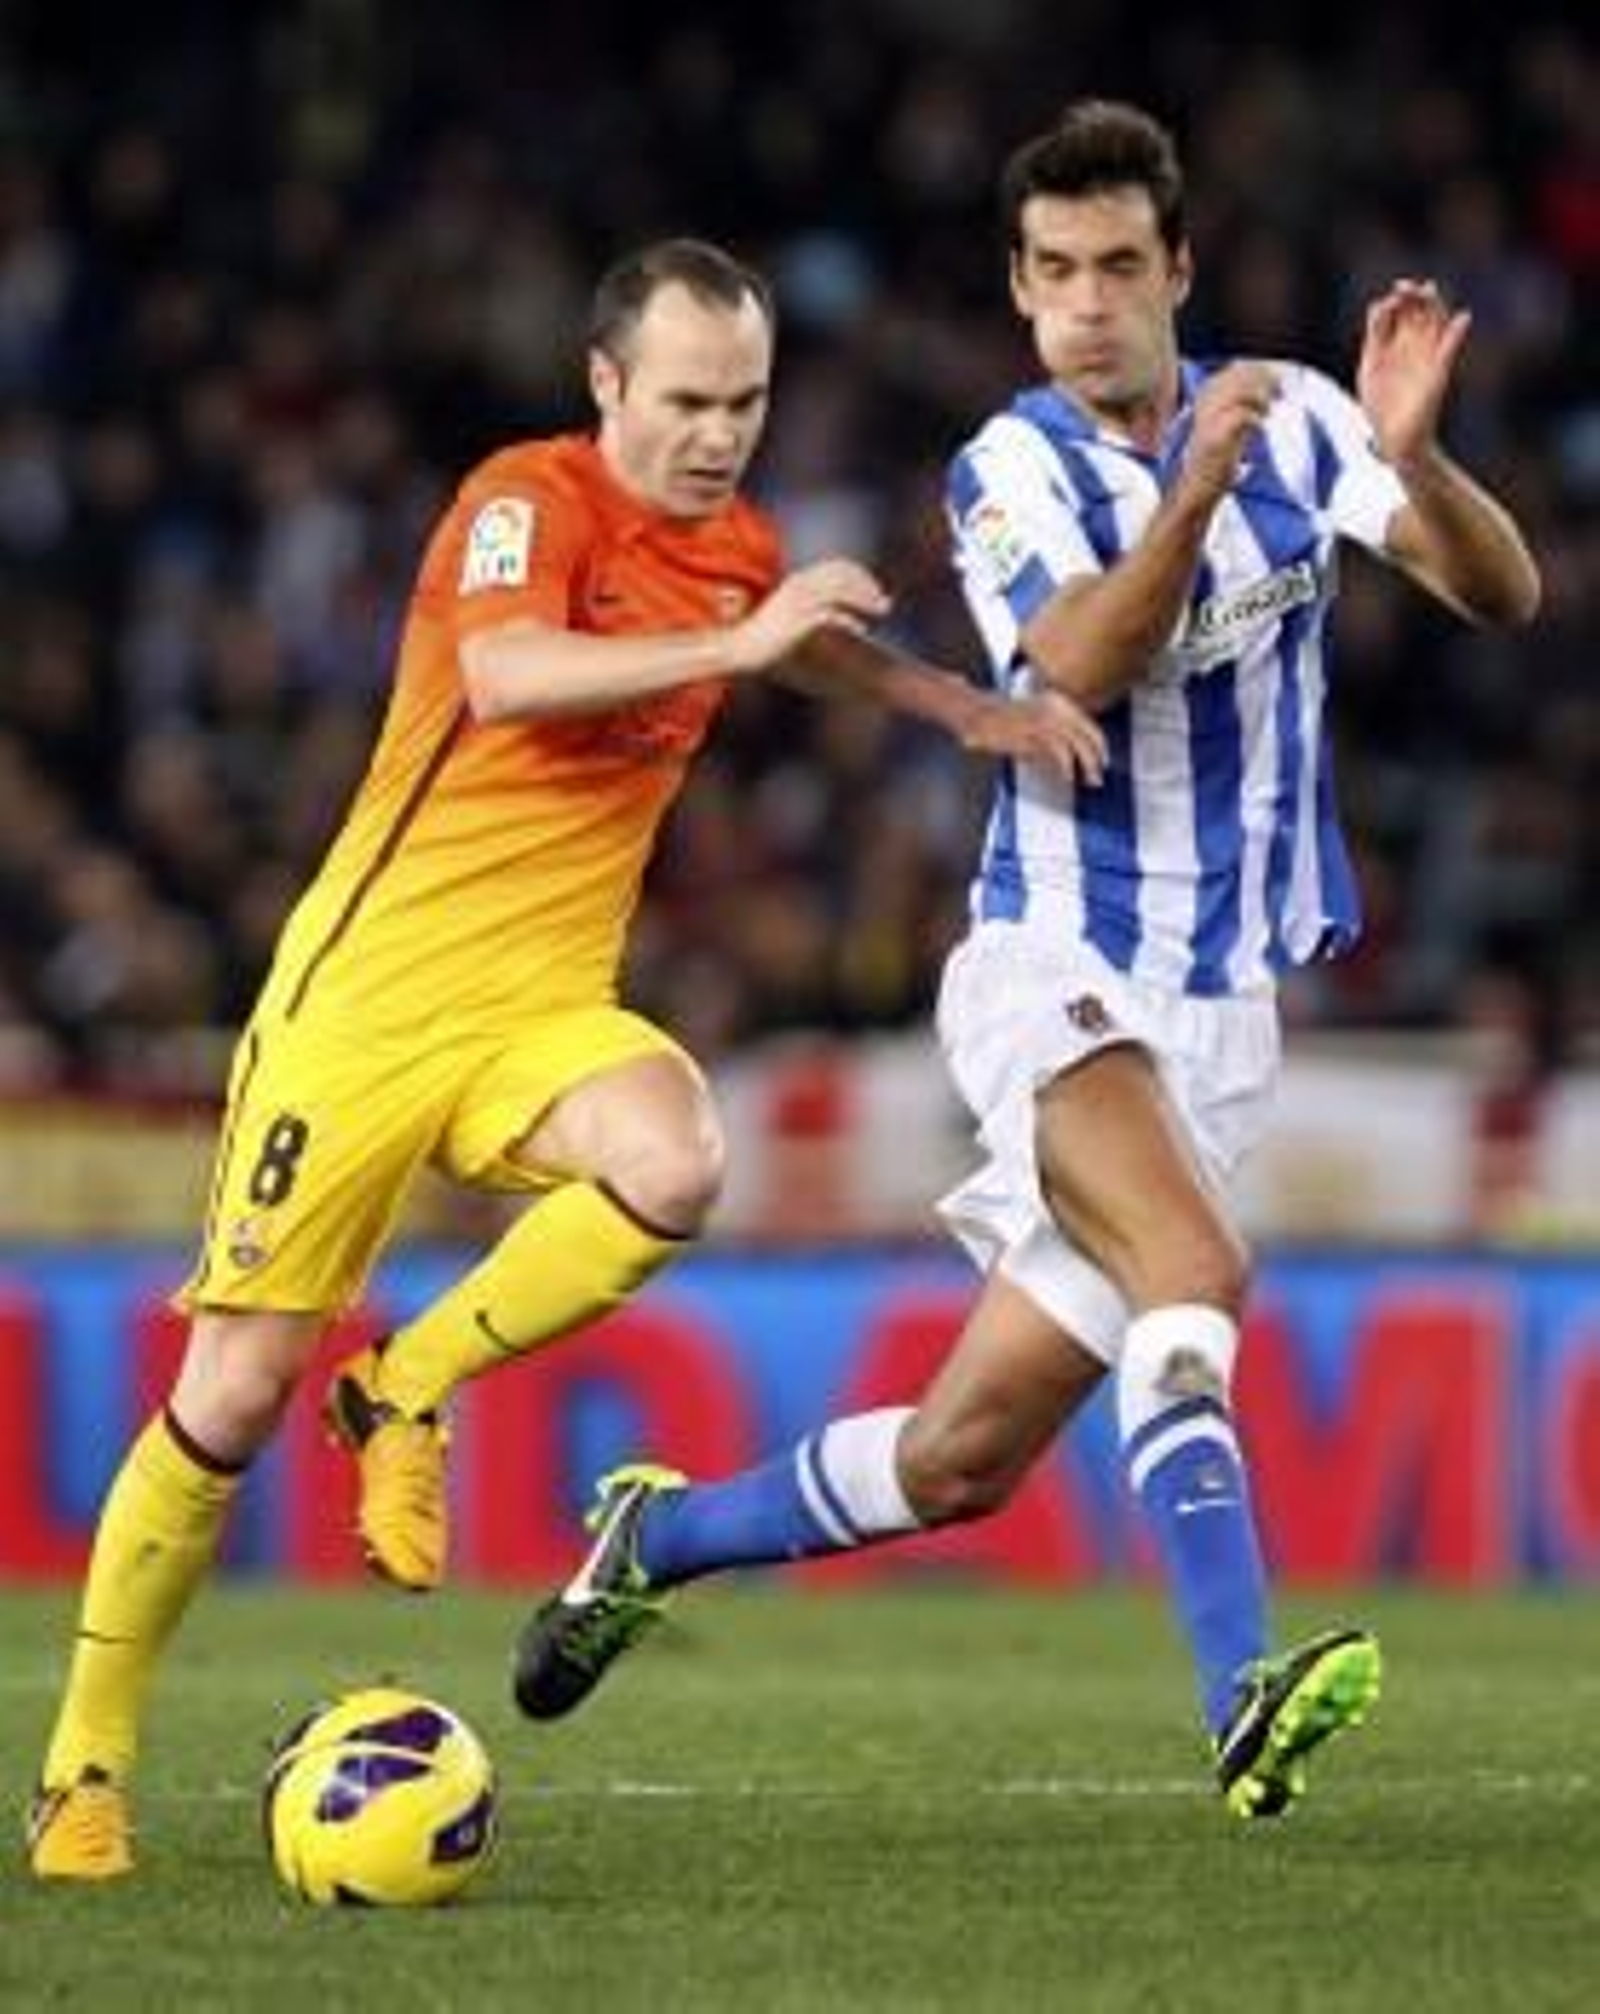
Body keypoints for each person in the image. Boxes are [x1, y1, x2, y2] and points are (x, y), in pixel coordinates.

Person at [27, 236, 1105, 1882]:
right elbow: (506, 673)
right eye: (685, 398)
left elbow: (795, 635)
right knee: (233, 1391)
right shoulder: (522, 500)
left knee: (677, 1159)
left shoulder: (735, 545)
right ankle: (82, 1772)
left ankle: (409, 1383)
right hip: (365, 1003)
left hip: (539, 1010)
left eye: (745, 399)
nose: (719, 432)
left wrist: (962, 712)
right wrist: (738, 650)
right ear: (607, 385)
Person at [510, 104, 1542, 1819]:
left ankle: (657, 1535)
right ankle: (1240, 1692)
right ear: (1017, 289)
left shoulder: (1288, 413)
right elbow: (1074, 655)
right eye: (1053, 272)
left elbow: (1499, 596)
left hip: (1221, 1022)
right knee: (1194, 1273)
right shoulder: (1008, 467)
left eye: (1119, 267)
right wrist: (1198, 487)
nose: (1086, 304)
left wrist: (1420, 463)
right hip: (1052, 964)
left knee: (959, 1458)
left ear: (1179, 270)